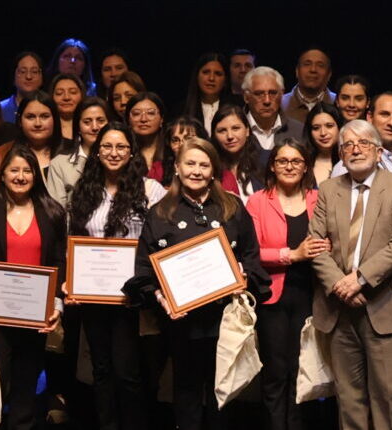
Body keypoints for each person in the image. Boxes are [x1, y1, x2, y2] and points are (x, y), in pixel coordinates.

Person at [123, 144, 270, 429]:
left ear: (213, 170)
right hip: (182, 323)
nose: (196, 171)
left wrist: (243, 276)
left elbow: (252, 258)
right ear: (177, 167)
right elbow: (144, 270)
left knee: (223, 394)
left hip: (225, 320)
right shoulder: (160, 213)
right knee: (186, 394)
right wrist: (161, 298)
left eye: (204, 165)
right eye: (190, 164)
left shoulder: (232, 207)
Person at [0, 150, 70, 430]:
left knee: (26, 387)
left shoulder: (52, 211)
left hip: (34, 318)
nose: (21, 176)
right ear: (3, 174)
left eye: (27, 171)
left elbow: (58, 263)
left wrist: (56, 305)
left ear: (36, 175)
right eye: (14, 170)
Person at [62, 124, 167, 429]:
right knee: (101, 370)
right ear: (96, 152)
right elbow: (74, 243)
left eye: (121, 147)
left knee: (128, 372)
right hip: (93, 295)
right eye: (106, 146)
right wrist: (71, 280)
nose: (113, 153)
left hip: (131, 298)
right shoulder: (84, 192)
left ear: (132, 152)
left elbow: (160, 240)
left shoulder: (150, 191)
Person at [245, 140, 329, 430]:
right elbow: (250, 253)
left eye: (296, 161)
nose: (290, 166)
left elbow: (333, 239)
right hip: (273, 298)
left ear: (306, 166)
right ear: (272, 165)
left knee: (303, 371)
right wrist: (291, 255)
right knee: (276, 372)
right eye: (283, 161)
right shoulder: (257, 201)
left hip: (313, 295)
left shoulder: (320, 198)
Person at [242, 66, 307, 151]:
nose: (267, 101)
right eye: (259, 94)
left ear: (282, 94)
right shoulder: (234, 131)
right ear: (246, 97)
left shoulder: (299, 131)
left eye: (273, 93)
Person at [283, 47, 337, 124]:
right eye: (307, 64)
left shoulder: (338, 104)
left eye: (320, 65)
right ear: (297, 71)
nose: (313, 69)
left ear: (329, 74)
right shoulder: (280, 105)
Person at [185, 51, 238, 124]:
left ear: (225, 80)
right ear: (197, 76)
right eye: (206, 72)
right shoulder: (181, 110)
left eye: (218, 74)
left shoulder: (238, 106)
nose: (211, 78)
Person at [0, 51, 47, 123]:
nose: (28, 77)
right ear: (13, 76)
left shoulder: (49, 108)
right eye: (22, 71)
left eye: (34, 72)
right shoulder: (0, 109)